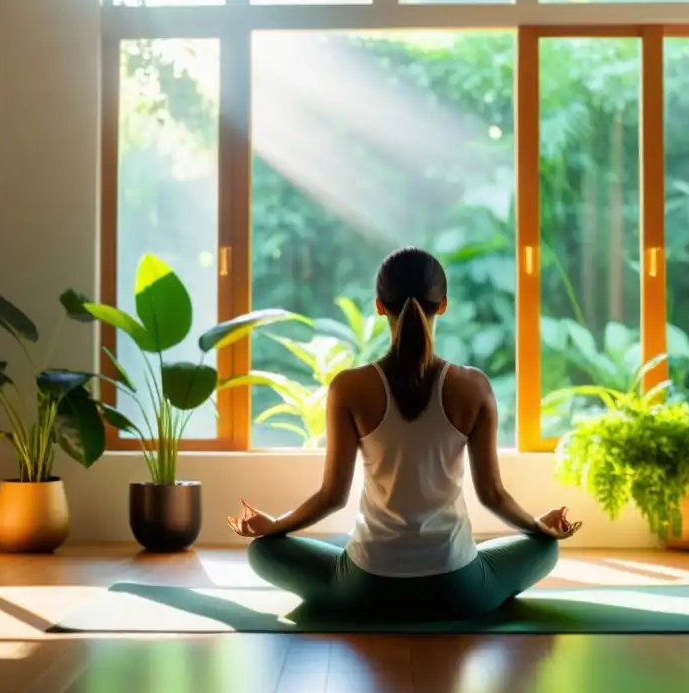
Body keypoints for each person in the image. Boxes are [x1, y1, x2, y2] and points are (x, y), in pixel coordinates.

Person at [229, 247, 581, 621]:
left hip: (366, 588)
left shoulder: (349, 387)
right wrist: (539, 527)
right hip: (458, 589)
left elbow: (332, 497)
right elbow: (492, 495)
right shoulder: (473, 386)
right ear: (442, 305)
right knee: (546, 549)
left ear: (379, 306)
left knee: (262, 551)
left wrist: (275, 525)